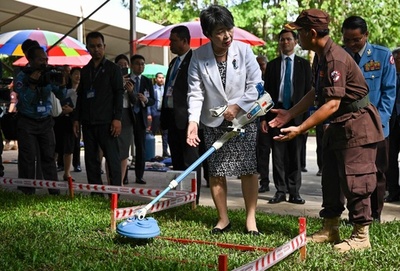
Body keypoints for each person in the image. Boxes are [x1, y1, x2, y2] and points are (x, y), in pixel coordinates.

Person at [271, 8, 384, 252]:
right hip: (338, 124)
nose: (297, 36)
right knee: (331, 179)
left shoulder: (336, 58)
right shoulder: (320, 56)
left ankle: (361, 236)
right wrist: (289, 113)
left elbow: (332, 103)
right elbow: (317, 92)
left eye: (299, 32)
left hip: (357, 125)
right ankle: (330, 227)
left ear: (311, 33)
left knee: (356, 180)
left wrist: (300, 128)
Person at [186, 5, 261, 235]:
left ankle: (251, 221)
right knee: (216, 170)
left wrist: (236, 106)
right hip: (213, 120)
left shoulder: (245, 51)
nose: (227, 35)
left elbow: (256, 85)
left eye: (229, 28)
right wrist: (193, 122)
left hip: (243, 119)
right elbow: (195, 92)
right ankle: (223, 219)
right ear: (208, 34)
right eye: (219, 31)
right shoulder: (198, 56)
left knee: (248, 169)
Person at [341, 16, 396, 222]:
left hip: (377, 126)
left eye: (356, 40)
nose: (352, 44)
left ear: (366, 35)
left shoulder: (382, 56)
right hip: (350, 126)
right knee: (352, 173)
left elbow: (389, 92)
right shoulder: (340, 56)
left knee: (378, 172)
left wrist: (380, 122)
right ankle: (356, 214)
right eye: (347, 40)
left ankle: (375, 214)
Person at [261, 29, 311, 204]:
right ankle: (280, 191)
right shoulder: (273, 65)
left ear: (296, 41)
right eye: (282, 40)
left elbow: (310, 94)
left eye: (288, 39)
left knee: (295, 155)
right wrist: (263, 118)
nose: (285, 43)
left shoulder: (304, 65)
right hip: (276, 113)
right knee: (278, 156)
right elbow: (266, 94)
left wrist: (306, 121)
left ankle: (294, 192)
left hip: (297, 114)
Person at [73, 31, 124, 192]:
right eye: (92, 46)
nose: (96, 49)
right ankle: (96, 194)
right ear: (87, 48)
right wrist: (76, 119)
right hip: (88, 122)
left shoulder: (113, 69)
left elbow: (119, 94)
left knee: (112, 159)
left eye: (99, 46)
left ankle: (115, 193)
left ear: (104, 47)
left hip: (107, 122)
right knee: (91, 160)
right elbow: (80, 96)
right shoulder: (85, 70)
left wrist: (117, 118)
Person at [15, 45, 66, 195]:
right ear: (30, 60)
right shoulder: (22, 76)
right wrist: (31, 84)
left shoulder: (48, 73)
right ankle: (27, 190)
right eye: (40, 59)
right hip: (27, 121)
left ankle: (53, 190)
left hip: (45, 121)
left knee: (49, 156)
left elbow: (61, 95)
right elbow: (24, 101)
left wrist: (62, 84)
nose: (44, 62)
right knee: (28, 157)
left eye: (46, 59)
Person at [159, 25, 202, 204]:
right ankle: (179, 197)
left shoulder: (194, 60)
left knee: (190, 161)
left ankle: (193, 200)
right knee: (176, 161)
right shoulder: (173, 63)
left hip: (187, 120)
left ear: (185, 41)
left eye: (173, 41)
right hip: (172, 118)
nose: (170, 44)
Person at [129, 54, 155, 184]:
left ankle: (139, 175)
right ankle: (123, 176)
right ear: (131, 65)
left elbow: (152, 100)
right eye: (138, 64)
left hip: (141, 117)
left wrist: (146, 100)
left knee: (141, 148)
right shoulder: (126, 79)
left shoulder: (146, 81)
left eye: (142, 64)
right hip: (127, 116)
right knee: (124, 147)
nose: (140, 66)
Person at [54, 67, 80, 182]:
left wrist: (72, 111)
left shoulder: (83, 90)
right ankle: (52, 170)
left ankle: (67, 173)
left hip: (73, 121)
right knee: (56, 146)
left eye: (80, 74)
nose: (78, 76)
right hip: (60, 119)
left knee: (69, 148)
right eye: (75, 74)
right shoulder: (62, 88)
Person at [114, 54, 135, 185]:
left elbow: (135, 101)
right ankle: (112, 180)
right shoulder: (111, 80)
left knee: (124, 151)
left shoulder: (132, 81)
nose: (122, 67)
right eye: (119, 65)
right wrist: (119, 85)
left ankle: (120, 181)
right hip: (114, 115)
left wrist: (131, 91)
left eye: (125, 65)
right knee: (112, 150)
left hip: (127, 117)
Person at [385, 47, 400, 202]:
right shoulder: (389, 76)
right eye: (396, 59)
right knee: (390, 160)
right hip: (392, 123)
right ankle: (393, 190)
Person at [255, 55, 271, 193]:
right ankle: (264, 181)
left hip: (272, 117)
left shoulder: (272, 77)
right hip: (259, 120)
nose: (260, 68)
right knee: (263, 152)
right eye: (257, 65)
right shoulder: (254, 80)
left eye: (262, 65)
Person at [148, 72, 169, 157]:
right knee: (152, 133)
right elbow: (149, 102)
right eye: (159, 78)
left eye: (162, 78)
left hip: (164, 114)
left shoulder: (167, 89)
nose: (161, 79)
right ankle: (151, 152)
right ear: (156, 79)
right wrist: (149, 113)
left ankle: (165, 152)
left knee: (165, 134)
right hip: (155, 113)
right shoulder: (152, 89)